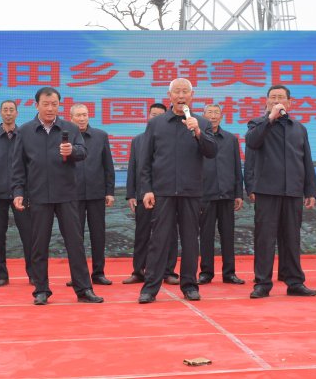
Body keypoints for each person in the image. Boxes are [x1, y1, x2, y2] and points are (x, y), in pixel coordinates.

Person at [11, 87, 103, 305]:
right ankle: (41, 290)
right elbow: (18, 166)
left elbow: (83, 152)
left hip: (68, 195)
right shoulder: (24, 131)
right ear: (37, 105)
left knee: (75, 243)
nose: (50, 108)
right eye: (46, 104)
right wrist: (18, 191)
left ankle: (83, 289)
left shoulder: (70, 128)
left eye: (54, 104)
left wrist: (72, 151)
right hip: (38, 195)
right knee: (39, 245)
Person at [137, 78, 217, 304]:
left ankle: (189, 285)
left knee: (191, 240)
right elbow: (145, 160)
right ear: (169, 95)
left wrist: (199, 133)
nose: (181, 96)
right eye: (177, 92)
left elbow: (211, 152)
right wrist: (147, 189)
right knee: (159, 240)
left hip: (191, 191)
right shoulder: (156, 123)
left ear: (192, 95)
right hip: (162, 191)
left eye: (185, 92)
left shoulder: (201, 122)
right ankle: (150, 287)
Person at [246, 85, 316, 298]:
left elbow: (306, 160)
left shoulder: (299, 128)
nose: (276, 101)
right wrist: (270, 119)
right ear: (266, 101)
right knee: (265, 238)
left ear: (289, 103)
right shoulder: (257, 123)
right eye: (273, 97)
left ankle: (294, 281)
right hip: (267, 190)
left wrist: (310, 191)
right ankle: (262, 283)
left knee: (292, 238)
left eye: (281, 98)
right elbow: (252, 142)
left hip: (293, 190)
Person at [123, 103, 179, 285]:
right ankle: (139, 271)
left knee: (169, 233)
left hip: (166, 193)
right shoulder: (138, 140)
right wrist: (131, 193)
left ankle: (168, 272)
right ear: (148, 116)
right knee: (142, 234)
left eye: (159, 115)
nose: (155, 118)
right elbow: (133, 168)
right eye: (152, 114)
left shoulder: (173, 138)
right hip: (143, 193)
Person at [0, 100, 33, 286]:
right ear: (0, 113)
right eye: (5, 110)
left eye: (11, 110)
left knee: (28, 235)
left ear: (17, 113)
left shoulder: (25, 136)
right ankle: (1, 275)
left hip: (21, 194)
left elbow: (30, 165)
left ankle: (33, 273)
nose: (8, 113)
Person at [198, 103, 245, 285]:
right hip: (205, 194)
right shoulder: (198, 137)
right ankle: (206, 272)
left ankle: (229, 273)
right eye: (209, 113)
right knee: (206, 235)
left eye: (216, 113)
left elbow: (236, 167)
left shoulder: (231, 139)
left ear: (221, 116)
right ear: (203, 116)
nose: (213, 116)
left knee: (228, 235)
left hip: (226, 195)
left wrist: (238, 194)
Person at [71, 103, 116, 286]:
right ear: (71, 117)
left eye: (85, 115)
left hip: (97, 193)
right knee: (75, 236)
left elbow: (108, 165)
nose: (82, 118)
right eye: (78, 115)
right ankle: (78, 276)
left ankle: (98, 273)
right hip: (73, 195)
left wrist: (110, 192)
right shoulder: (65, 137)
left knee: (98, 234)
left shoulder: (100, 136)